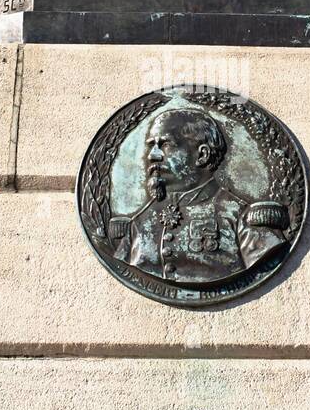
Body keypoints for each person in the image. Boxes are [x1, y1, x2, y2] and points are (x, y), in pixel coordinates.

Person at [109, 106, 288, 284]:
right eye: (151, 145)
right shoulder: (140, 222)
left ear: (202, 155)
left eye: (166, 145)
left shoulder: (240, 218)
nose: (152, 156)